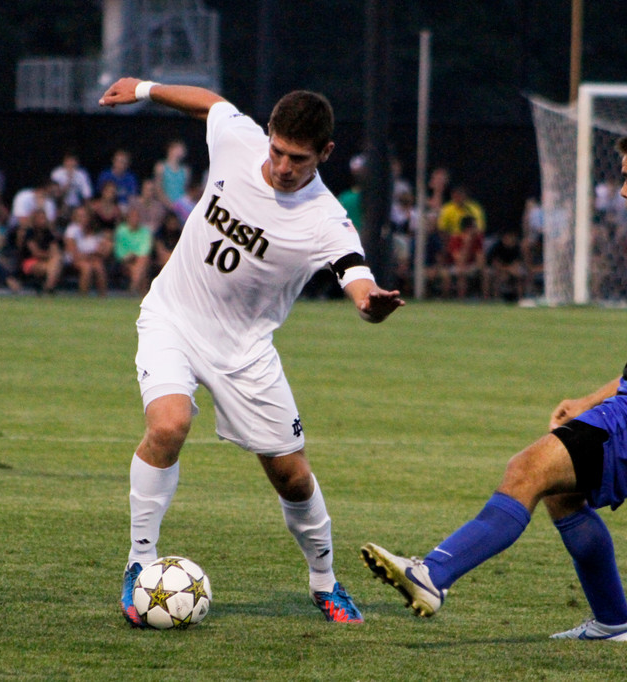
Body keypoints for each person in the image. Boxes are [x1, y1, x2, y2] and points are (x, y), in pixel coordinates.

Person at [360, 123, 627, 642]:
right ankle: (613, 622)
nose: (622, 192)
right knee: (561, 494)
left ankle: (432, 574)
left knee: (526, 470)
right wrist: (590, 400)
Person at [100, 77, 403, 627]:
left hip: (244, 352)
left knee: (290, 475)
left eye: (299, 158)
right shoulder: (239, 141)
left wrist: (370, 304)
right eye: (279, 151)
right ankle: (139, 564)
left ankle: (325, 583)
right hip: (173, 316)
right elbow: (212, 105)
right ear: (268, 136)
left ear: (325, 155)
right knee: (167, 426)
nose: (284, 166)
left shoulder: (324, 217)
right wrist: (144, 89)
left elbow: (355, 275)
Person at [62, 203, 110, 296]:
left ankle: (103, 296)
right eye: (79, 216)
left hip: (90, 258)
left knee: (99, 266)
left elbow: (102, 252)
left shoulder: (94, 231)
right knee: (87, 268)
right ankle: (83, 296)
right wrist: (92, 255)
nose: (82, 219)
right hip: (73, 260)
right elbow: (73, 253)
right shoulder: (72, 230)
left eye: (84, 216)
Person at [18, 207, 63, 294]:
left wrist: (53, 256)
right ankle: (49, 288)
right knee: (55, 265)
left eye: (44, 218)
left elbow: (55, 249)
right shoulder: (29, 233)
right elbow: (36, 253)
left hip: (47, 261)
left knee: (56, 261)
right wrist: (51, 256)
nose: (43, 221)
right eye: (41, 218)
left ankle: (47, 287)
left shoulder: (48, 233)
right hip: (29, 262)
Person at [112, 203, 153, 295]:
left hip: (140, 260)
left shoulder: (145, 232)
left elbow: (146, 249)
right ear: (128, 218)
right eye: (132, 217)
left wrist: (135, 255)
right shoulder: (121, 231)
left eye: (137, 217)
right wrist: (128, 257)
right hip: (125, 261)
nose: (135, 219)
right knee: (142, 269)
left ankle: (132, 289)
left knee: (141, 263)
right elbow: (118, 249)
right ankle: (139, 293)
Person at [50, 150, 94, 216]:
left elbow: (87, 195)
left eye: (72, 161)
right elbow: (54, 195)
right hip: (60, 205)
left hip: (76, 206)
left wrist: (88, 210)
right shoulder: (56, 173)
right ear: (64, 161)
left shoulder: (81, 174)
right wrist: (69, 181)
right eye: (68, 161)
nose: (70, 163)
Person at [153, 138, 191, 210]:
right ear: (171, 149)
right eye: (178, 148)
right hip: (164, 204)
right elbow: (158, 189)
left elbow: (185, 189)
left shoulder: (186, 170)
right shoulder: (161, 167)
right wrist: (169, 204)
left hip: (181, 205)